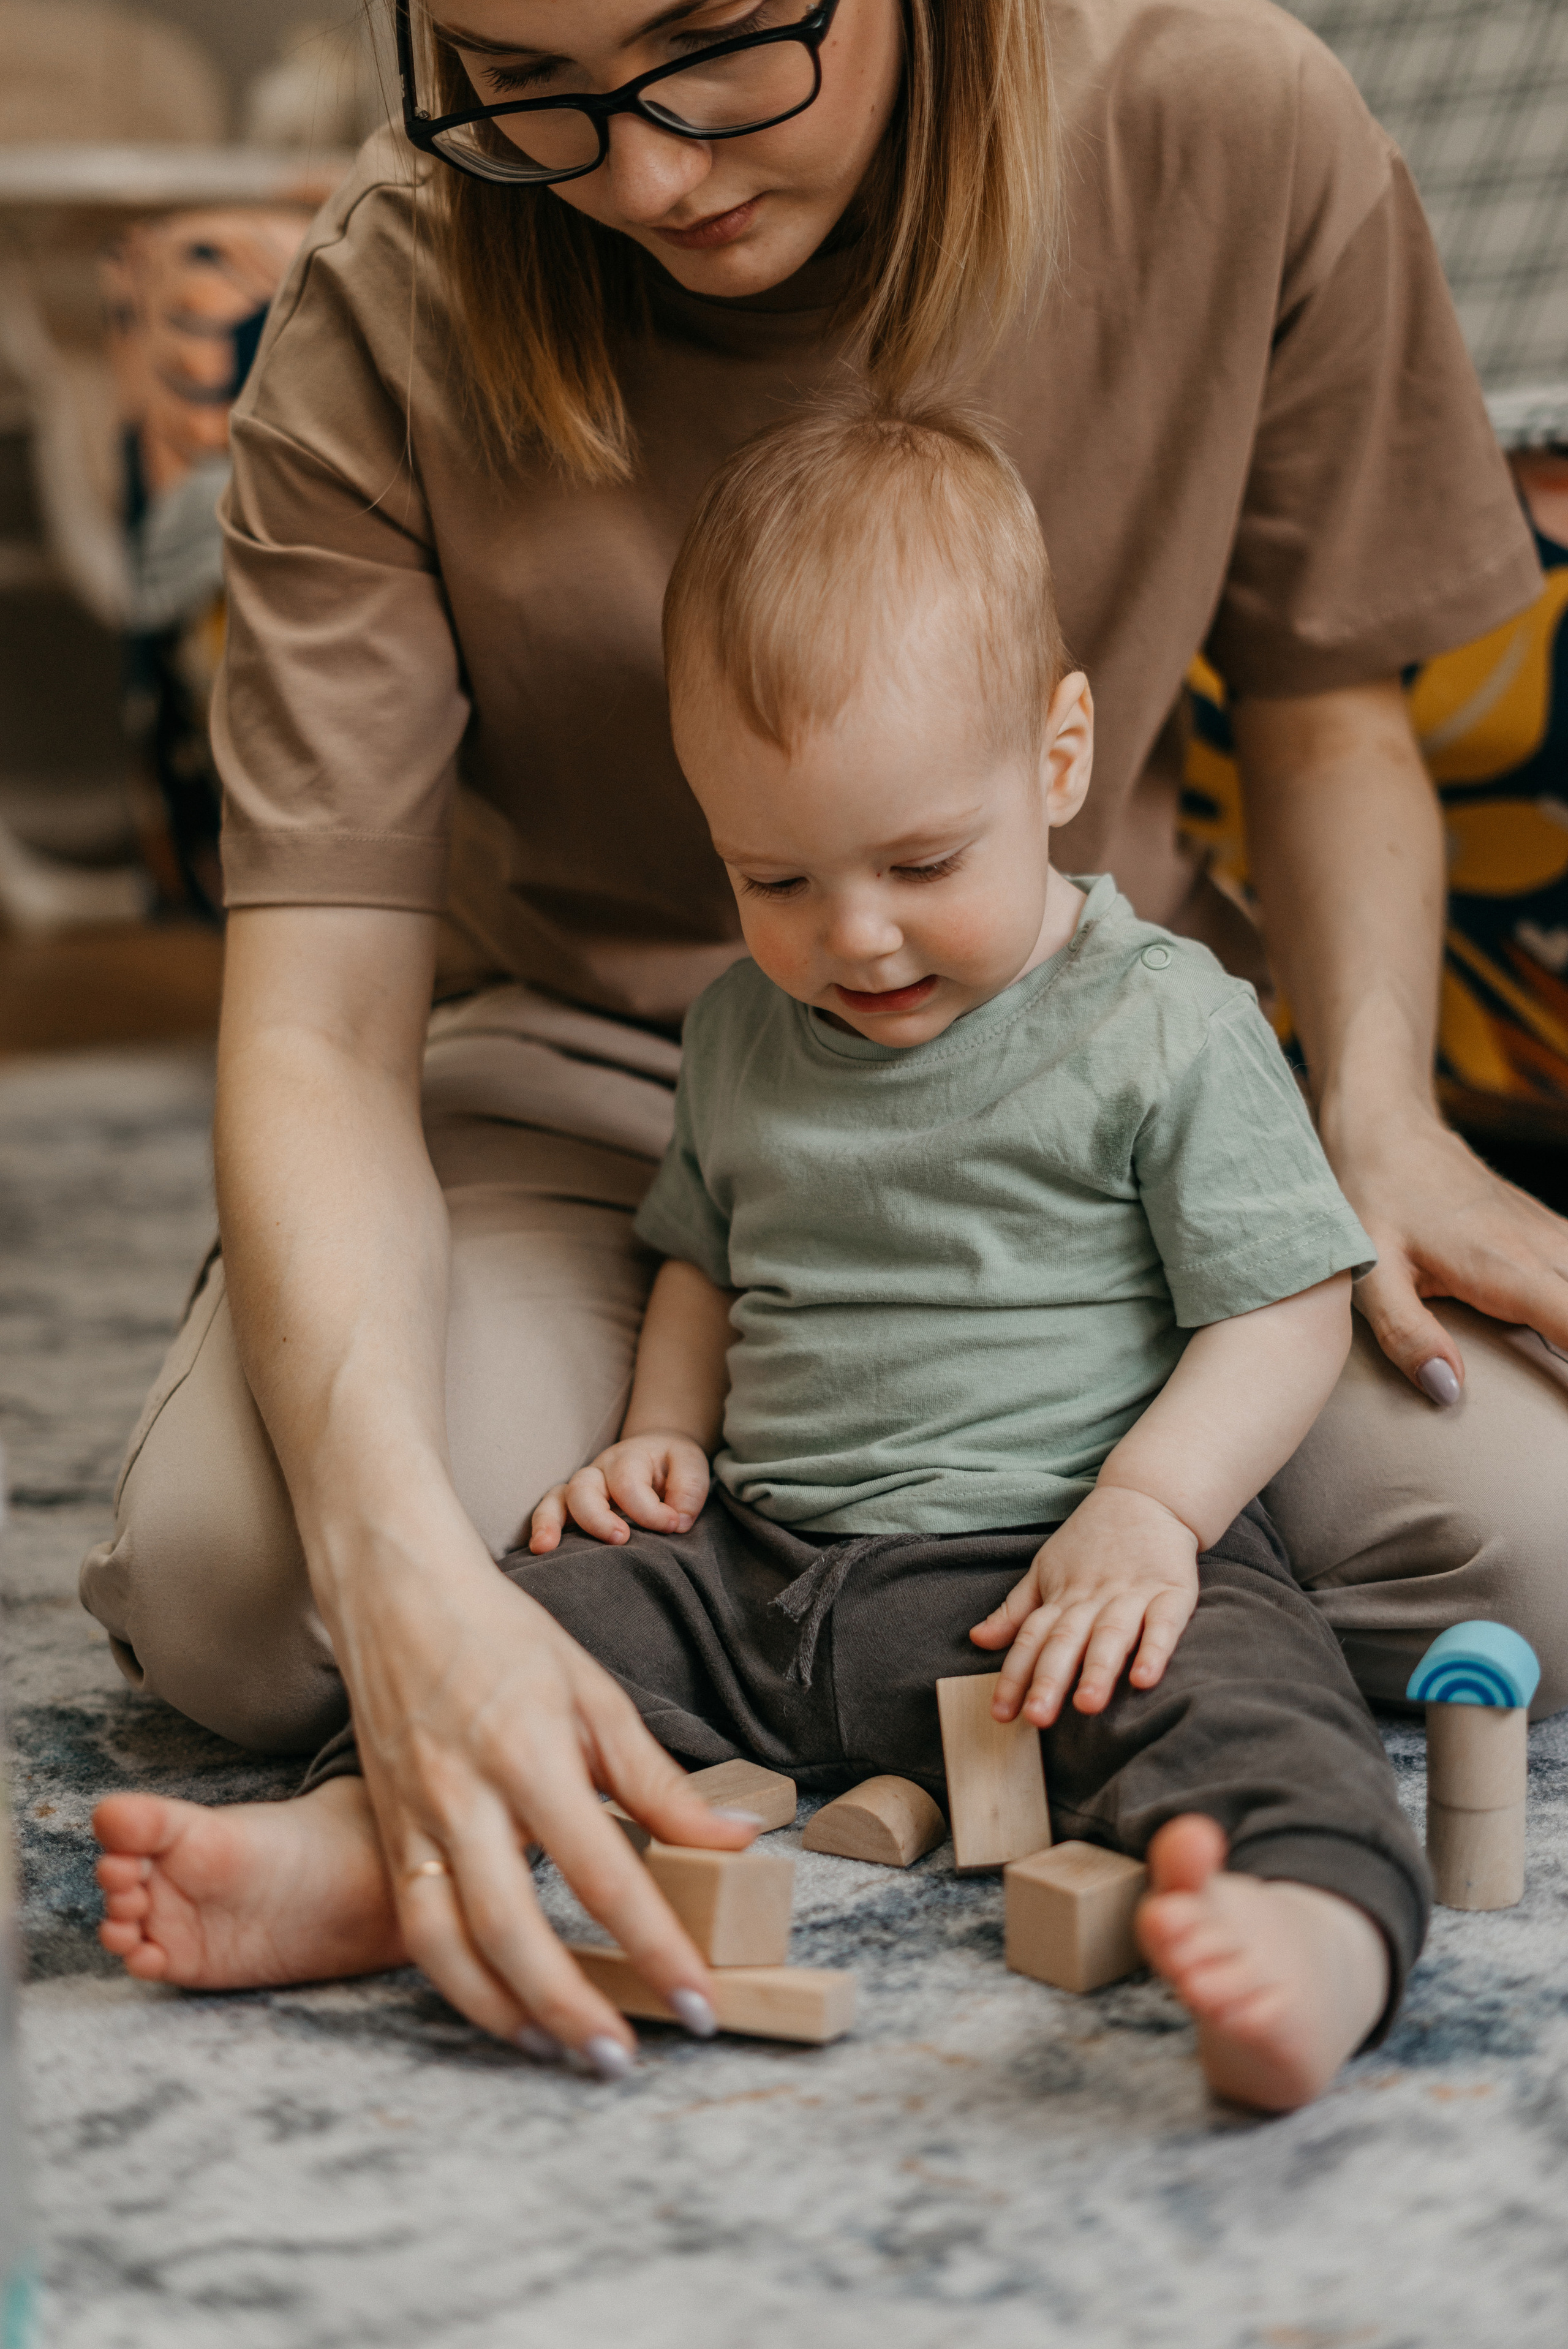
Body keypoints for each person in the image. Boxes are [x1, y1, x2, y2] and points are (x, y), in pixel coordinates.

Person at [83, 0, 1566, 2076]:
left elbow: (1334, 713)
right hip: (607, 1081)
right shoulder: (390, 304)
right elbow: (322, 1021)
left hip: (1110, 1129)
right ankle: (377, 1837)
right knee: (271, 1589)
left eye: (714, 45)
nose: (644, 171)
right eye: (524, 77)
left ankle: (1280, 1869)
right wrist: (422, 1558)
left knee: (1534, 1540)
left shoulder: (1230, 122)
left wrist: (1377, 1114)